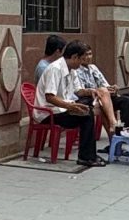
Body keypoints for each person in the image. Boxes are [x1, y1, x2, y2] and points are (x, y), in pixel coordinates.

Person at [35, 37, 99, 167]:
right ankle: (86, 157)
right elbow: (50, 97)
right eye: (81, 59)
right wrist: (70, 106)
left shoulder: (72, 70)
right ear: (74, 57)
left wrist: (91, 91)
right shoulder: (55, 68)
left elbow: (78, 91)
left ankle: (89, 155)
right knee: (86, 117)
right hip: (48, 113)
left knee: (87, 109)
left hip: (62, 108)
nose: (82, 63)